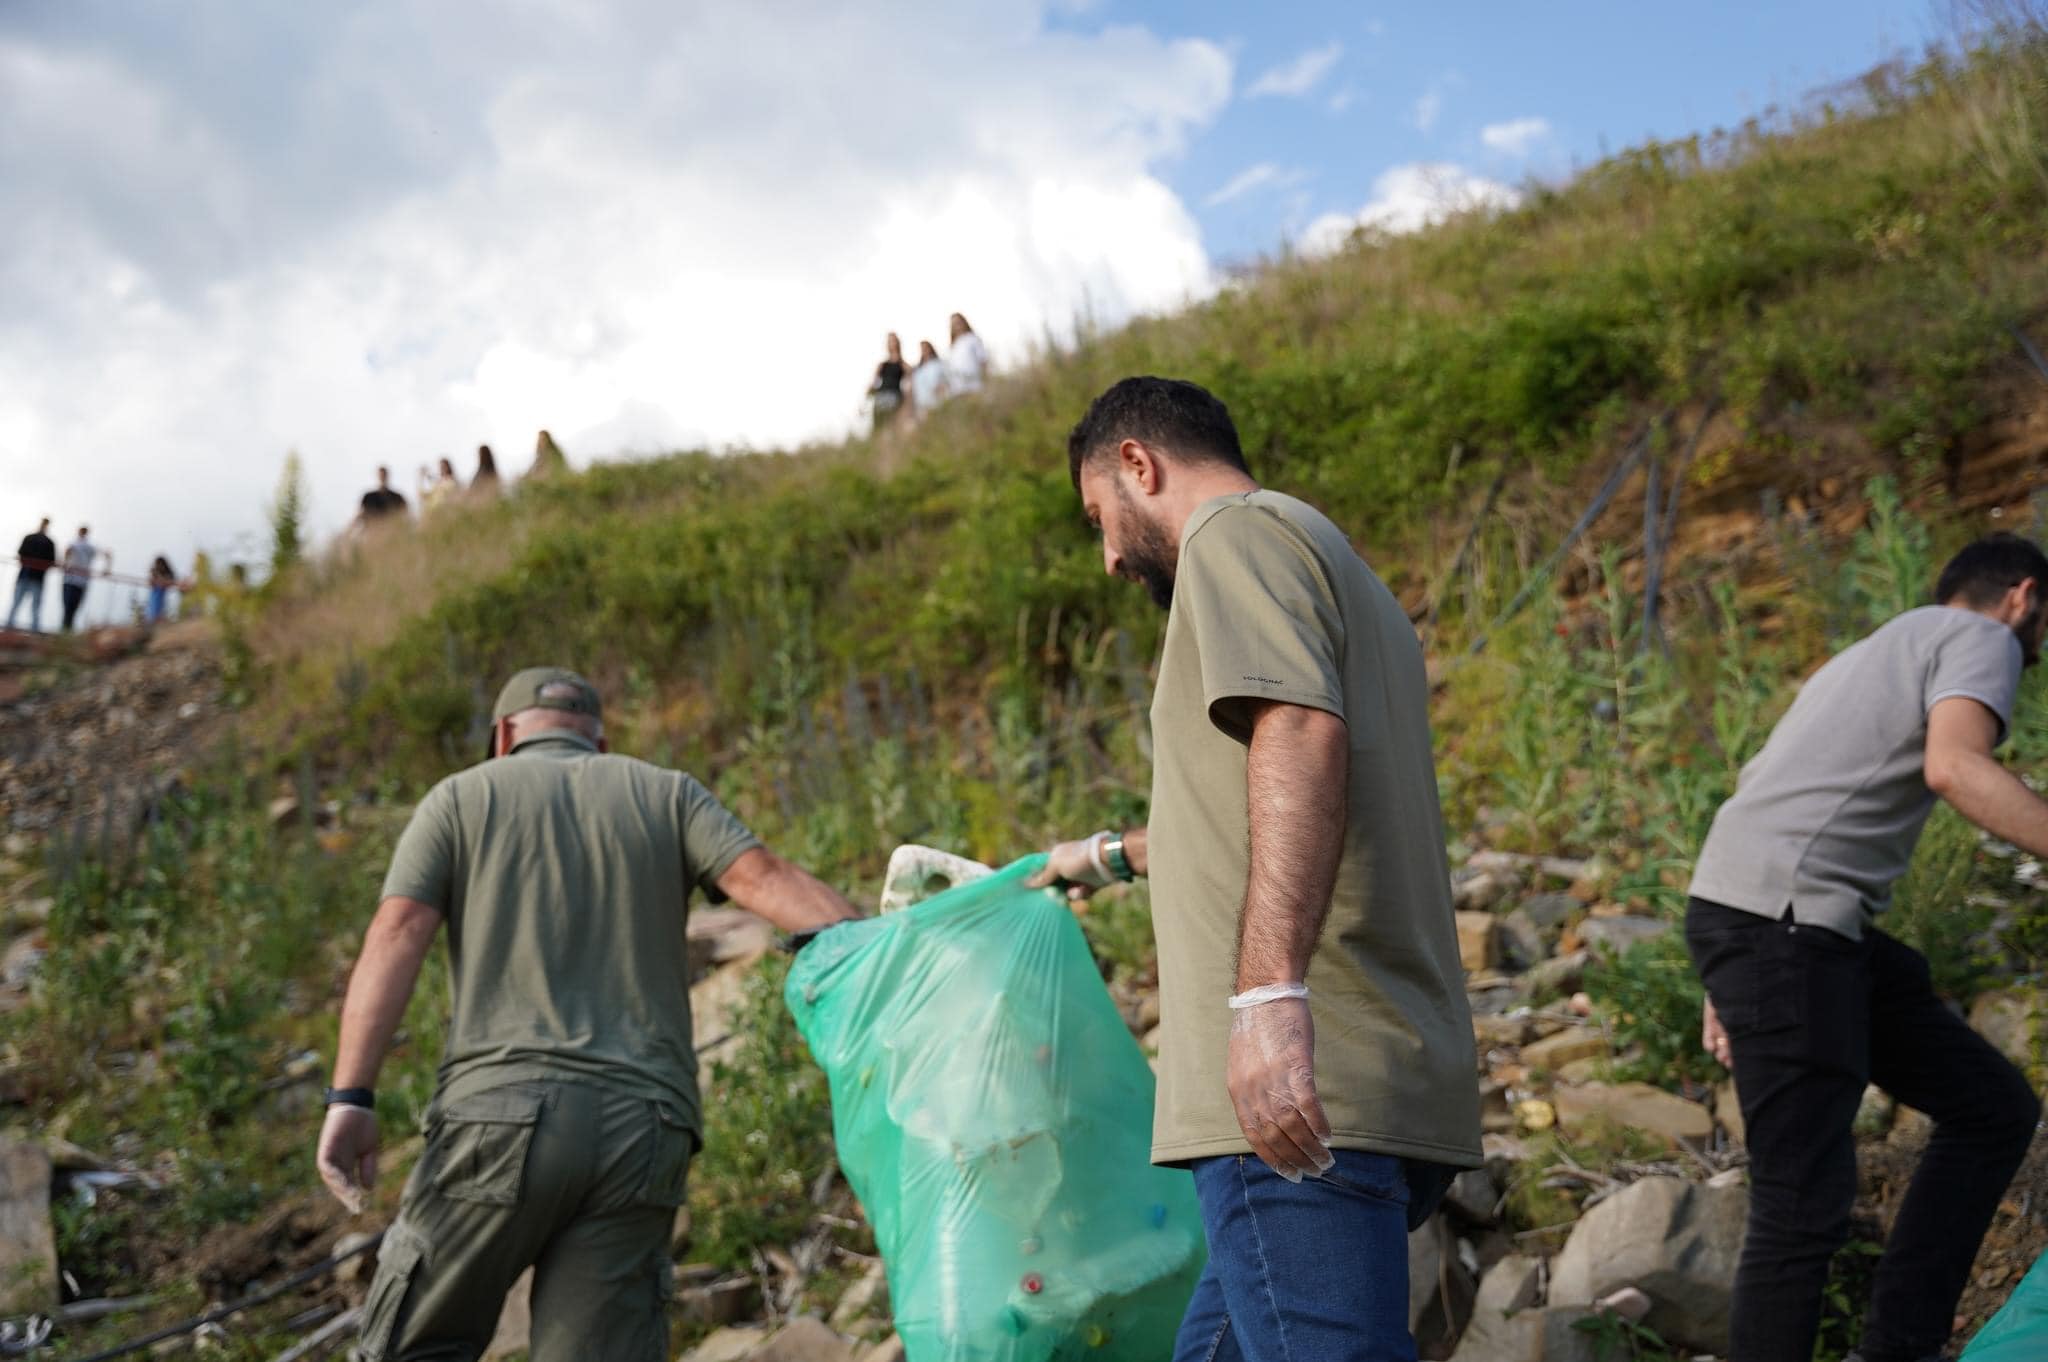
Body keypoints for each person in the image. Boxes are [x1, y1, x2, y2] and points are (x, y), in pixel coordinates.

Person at [1031, 377, 1481, 1361]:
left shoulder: (1229, 538)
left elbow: (1296, 728)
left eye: (1101, 517)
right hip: (1372, 1073)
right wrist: (1102, 858)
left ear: (1138, 464)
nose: (1108, 556)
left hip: (1290, 1095)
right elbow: (1271, 800)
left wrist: (1267, 999)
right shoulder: (1335, 568)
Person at [316, 667, 861, 1361]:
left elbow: (397, 933)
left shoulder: (459, 798)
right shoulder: (666, 792)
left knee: (412, 1347)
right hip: (645, 1130)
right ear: (598, 737)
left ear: (504, 734)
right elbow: (764, 880)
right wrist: (895, 957)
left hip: (498, 1119)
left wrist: (350, 1097)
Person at [1685, 533, 2047, 1362]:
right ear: (2023, 597)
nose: (2037, 651)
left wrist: (1728, 966)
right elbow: (1955, 768)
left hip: (1784, 925)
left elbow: (1759, 782)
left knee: (1992, 1107)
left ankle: (1901, 1347)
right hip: (1783, 932)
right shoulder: (1983, 636)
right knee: (1801, 1201)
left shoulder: (1870, 652)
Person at [7, 518, 55, 633]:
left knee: (35, 606)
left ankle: (34, 629)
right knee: (16, 602)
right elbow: (20, 554)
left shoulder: (49, 542)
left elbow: (51, 561)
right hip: (25, 575)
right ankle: (9, 625)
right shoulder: (29, 537)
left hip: (37, 579)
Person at [60, 526, 101, 633]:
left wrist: (65, 564)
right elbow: (107, 554)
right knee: (72, 608)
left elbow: (67, 551)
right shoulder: (90, 546)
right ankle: (67, 630)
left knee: (68, 607)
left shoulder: (75, 543)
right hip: (81, 581)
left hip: (72, 579)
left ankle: (65, 630)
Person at [868, 333, 907, 434]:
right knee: (880, 426)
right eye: (889, 341)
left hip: (895, 396)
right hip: (881, 396)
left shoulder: (902, 364)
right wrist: (868, 392)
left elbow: (911, 377)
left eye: (893, 341)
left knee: (892, 424)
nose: (891, 343)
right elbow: (873, 382)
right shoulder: (882, 364)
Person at [945, 312, 987, 396]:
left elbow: (983, 360)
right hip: (958, 388)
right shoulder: (953, 346)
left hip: (974, 384)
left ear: (964, 322)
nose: (957, 325)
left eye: (958, 322)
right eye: (954, 324)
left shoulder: (973, 338)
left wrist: (985, 379)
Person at [908, 339, 947, 419]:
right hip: (921, 404)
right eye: (922, 349)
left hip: (936, 402)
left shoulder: (938, 364)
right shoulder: (918, 370)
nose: (924, 351)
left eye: (926, 348)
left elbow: (944, 381)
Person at [146, 555, 178, 626]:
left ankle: (156, 621)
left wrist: (162, 581)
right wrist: (155, 580)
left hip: (160, 594)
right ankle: (153, 622)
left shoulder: (166, 573)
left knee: (158, 610)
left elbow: (171, 581)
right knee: (153, 610)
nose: (159, 566)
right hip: (155, 594)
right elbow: (150, 582)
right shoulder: (155, 571)